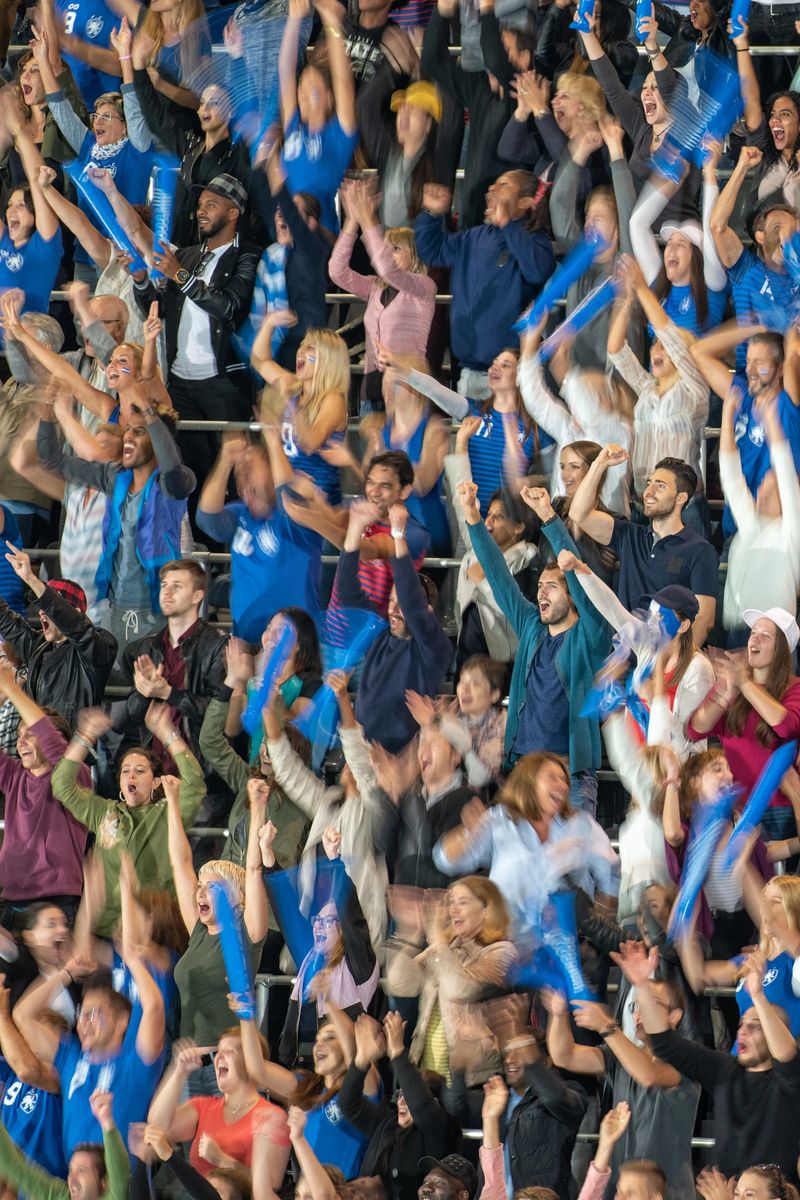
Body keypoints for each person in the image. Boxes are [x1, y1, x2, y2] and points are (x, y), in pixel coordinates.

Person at [454, 480, 611, 811]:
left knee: (570, 865)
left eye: (552, 587)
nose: (541, 592)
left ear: (572, 596)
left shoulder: (590, 636)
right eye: (540, 586)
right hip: (523, 775)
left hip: (570, 779)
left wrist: (547, 517)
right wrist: (472, 517)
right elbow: (498, 576)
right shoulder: (531, 626)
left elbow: (579, 578)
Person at [36, 399, 196, 656]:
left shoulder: (174, 483)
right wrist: (46, 417)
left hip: (158, 614)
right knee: (112, 692)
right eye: (128, 430)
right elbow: (51, 460)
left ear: (158, 440)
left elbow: (171, 465)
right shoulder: (115, 477)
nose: (128, 437)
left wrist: (151, 416)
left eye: (139, 431)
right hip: (114, 611)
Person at [132, 175, 260, 488]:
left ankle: (217, 538)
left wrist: (180, 274)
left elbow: (229, 307)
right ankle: (188, 538)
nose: (201, 211)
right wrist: (140, 281)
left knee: (227, 476)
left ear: (233, 214)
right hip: (179, 383)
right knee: (184, 473)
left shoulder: (247, 256)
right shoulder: (187, 255)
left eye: (211, 205)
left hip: (223, 385)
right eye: (200, 205)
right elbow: (158, 308)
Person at [633, 942, 800, 1182]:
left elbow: (787, 1057)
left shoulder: (790, 1081)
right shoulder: (725, 1070)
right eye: (742, 1024)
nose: (743, 1031)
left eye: (755, 1026)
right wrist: (641, 987)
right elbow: (665, 1043)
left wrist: (758, 997)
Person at [49, 701, 206, 938]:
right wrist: (85, 736)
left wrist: (166, 733)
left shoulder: (170, 811)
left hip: (156, 930)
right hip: (107, 930)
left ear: (155, 782)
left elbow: (194, 782)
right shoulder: (104, 811)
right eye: (125, 770)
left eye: (140, 771)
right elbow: (61, 785)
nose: (131, 774)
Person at [543, 965, 699, 1200]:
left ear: (675, 1016)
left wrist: (607, 1027)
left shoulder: (688, 1058)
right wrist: (558, 1014)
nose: (638, 1013)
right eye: (636, 1006)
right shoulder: (621, 1056)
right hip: (620, 1188)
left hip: (666, 1191)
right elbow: (564, 1055)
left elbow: (648, 1075)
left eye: (649, 1004)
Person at [433, 755, 619, 938]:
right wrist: (466, 833)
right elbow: (446, 861)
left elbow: (611, 874)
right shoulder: (500, 820)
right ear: (527, 782)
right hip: (509, 944)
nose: (562, 785)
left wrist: (599, 917)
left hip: (567, 946)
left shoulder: (580, 824)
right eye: (552, 778)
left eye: (564, 780)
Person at [13, 948, 166, 1157]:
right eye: (81, 1014)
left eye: (93, 1013)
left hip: (122, 1184)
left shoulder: (136, 1063)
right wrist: (67, 973)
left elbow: (154, 1007)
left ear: (122, 1022)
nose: (84, 1022)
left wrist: (131, 960)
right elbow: (23, 1015)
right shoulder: (70, 1059)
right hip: (75, 1183)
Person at [415, 173, 554, 397]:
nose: (491, 188)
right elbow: (433, 251)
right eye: (494, 182)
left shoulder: (536, 241)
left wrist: (509, 226)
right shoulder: (473, 237)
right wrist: (430, 215)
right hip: (469, 372)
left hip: (513, 376)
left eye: (504, 185)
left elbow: (537, 271)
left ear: (525, 202)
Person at [334, 500, 451, 752]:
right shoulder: (378, 636)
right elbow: (347, 593)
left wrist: (397, 533)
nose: (394, 610)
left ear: (427, 612)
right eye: (391, 600)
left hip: (406, 761)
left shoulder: (434, 648)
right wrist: (355, 528)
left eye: (404, 604)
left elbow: (411, 604)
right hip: (365, 755)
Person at [570, 448, 718, 646]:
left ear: (681, 498)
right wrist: (599, 464)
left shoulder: (700, 550)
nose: (648, 492)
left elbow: (704, 620)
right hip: (624, 660)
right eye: (649, 484)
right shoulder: (629, 534)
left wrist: (671, 668)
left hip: (666, 662)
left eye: (660, 486)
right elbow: (579, 513)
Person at [261, 823, 380, 1067]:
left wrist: (335, 860)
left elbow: (350, 913)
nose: (318, 926)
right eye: (318, 920)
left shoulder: (358, 964)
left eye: (328, 921)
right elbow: (288, 911)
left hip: (343, 1072)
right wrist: (267, 856)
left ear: (343, 931)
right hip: (303, 1070)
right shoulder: (310, 958)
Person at [167, 779, 268, 1056]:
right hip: (187, 1064)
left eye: (211, 887)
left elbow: (255, 869)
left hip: (227, 1062)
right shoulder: (199, 931)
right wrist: (172, 801)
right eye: (200, 885)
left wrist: (258, 808)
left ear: (237, 899)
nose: (200, 892)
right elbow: (180, 862)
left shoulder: (246, 934)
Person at [196, 430, 325, 644]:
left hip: (296, 647)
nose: (242, 480)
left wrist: (273, 441)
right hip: (247, 641)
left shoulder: (296, 513)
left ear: (273, 472)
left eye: (249, 470)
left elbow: (287, 493)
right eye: (238, 475)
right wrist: (225, 463)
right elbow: (207, 519)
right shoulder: (240, 514)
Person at [387, 877, 516, 1088]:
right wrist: (412, 932)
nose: (453, 909)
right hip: (427, 1075)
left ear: (486, 909)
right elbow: (400, 983)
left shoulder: (502, 952)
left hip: (473, 1080)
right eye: (451, 902)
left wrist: (437, 937)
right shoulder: (445, 949)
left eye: (462, 902)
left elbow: (460, 988)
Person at [393, 346, 545, 518]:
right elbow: (435, 391)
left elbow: (550, 477)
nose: (494, 367)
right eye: (494, 363)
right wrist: (405, 371)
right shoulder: (474, 411)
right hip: (470, 521)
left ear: (521, 377)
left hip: (509, 525)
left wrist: (531, 481)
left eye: (505, 365)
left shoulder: (535, 427)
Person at [688, 607, 800, 840]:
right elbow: (695, 730)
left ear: (782, 649)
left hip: (779, 810)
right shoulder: (735, 687)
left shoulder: (794, 688)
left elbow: (786, 725)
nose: (754, 639)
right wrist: (723, 696)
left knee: (776, 878)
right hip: (737, 810)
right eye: (753, 632)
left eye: (765, 635)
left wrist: (744, 683)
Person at [420, 0, 533, 230]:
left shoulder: (520, 98)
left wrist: (487, 9)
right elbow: (432, 60)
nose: (491, 62)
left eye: (505, 50)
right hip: (470, 223)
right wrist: (443, 10)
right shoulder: (481, 92)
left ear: (524, 59)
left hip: (506, 225)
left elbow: (494, 59)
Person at [606, 256, 710, 500]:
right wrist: (628, 302)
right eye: (654, 345)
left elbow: (670, 336)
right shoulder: (647, 387)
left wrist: (642, 287)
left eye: (665, 347)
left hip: (683, 506)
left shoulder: (694, 388)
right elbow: (615, 351)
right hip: (644, 501)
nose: (656, 350)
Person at [330, 179, 436, 405]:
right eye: (386, 249)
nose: (388, 254)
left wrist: (368, 218)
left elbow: (388, 268)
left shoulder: (424, 286)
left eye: (396, 249)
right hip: (372, 384)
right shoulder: (375, 286)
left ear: (415, 255)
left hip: (407, 385)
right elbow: (336, 272)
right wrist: (352, 220)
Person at [337, 1009, 461, 1200]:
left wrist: (397, 1052)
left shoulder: (436, 1131)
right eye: (400, 1094)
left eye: (408, 1094)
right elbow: (348, 1104)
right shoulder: (386, 1122)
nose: (402, 1101)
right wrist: (362, 1058)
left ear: (434, 1102)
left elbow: (421, 1106)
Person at [691, 323, 800, 538]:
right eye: (748, 361)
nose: (750, 369)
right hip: (737, 528)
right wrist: (754, 329)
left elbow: (793, 353)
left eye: (759, 362)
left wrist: (790, 327)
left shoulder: (789, 404)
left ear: (779, 370)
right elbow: (699, 352)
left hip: (782, 533)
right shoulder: (743, 397)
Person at [0, 670, 89, 931]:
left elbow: (51, 741)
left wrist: (12, 689)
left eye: (30, 734)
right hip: (11, 904)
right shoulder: (14, 776)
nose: (21, 743)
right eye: (18, 735)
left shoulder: (74, 774)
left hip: (57, 904)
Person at [118, 559, 227, 766]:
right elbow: (133, 713)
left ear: (197, 596)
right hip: (156, 770)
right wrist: (144, 692)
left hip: (199, 771)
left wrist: (168, 694)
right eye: (164, 586)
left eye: (177, 587)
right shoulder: (149, 646)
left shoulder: (217, 646)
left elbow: (219, 715)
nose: (167, 593)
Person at [147, 1031, 290, 1185]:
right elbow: (158, 1124)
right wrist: (179, 1071)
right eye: (219, 1052)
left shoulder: (271, 1116)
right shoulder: (204, 1106)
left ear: (251, 1062)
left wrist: (223, 1160)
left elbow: (272, 1184)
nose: (219, 1057)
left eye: (229, 1051)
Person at [0, 546, 117, 731]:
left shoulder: (98, 646)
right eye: (41, 608)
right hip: (35, 746)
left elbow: (75, 626)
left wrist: (31, 579)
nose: (42, 613)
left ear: (75, 613)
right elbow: (6, 620)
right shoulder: (39, 646)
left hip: (70, 751)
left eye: (49, 608)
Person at [707, 144, 799, 372]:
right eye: (778, 227)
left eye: (793, 231)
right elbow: (717, 226)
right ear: (760, 236)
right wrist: (742, 167)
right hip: (750, 385)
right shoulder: (747, 270)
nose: (786, 236)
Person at [719, 393, 800, 643]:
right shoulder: (749, 525)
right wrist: (727, 416)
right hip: (738, 629)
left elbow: (786, 470)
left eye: (771, 486)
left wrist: (771, 421)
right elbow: (731, 476)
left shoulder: (791, 533)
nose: (762, 488)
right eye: (763, 483)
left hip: (774, 635)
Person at [278, 0, 359, 235]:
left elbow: (343, 81)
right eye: (301, 88)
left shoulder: (339, 134)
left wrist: (331, 22)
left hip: (320, 236)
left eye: (312, 90)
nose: (302, 94)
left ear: (330, 99)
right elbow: (285, 74)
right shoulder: (294, 128)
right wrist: (294, 21)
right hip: (289, 229)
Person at [478, 1030, 588, 1200]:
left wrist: (532, 1064)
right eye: (506, 1053)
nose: (509, 1060)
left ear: (545, 1061)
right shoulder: (497, 1094)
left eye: (520, 1054)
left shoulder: (569, 1091)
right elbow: (456, 1105)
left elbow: (555, 1098)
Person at [0, 1090, 129, 1200]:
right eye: (70, 1170)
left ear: (104, 1183)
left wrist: (107, 1121)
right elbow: (15, 1167)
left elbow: (120, 1176)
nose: (72, 1178)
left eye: (81, 1170)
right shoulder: (61, 1196)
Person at [0, 106, 63, 316]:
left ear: (35, 214)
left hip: (24, 344)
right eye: (10, 205)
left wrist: (19, 132)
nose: (11, 211)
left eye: (20, 206)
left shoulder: (44, 247)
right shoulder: (5, 242)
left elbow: (37, 183)